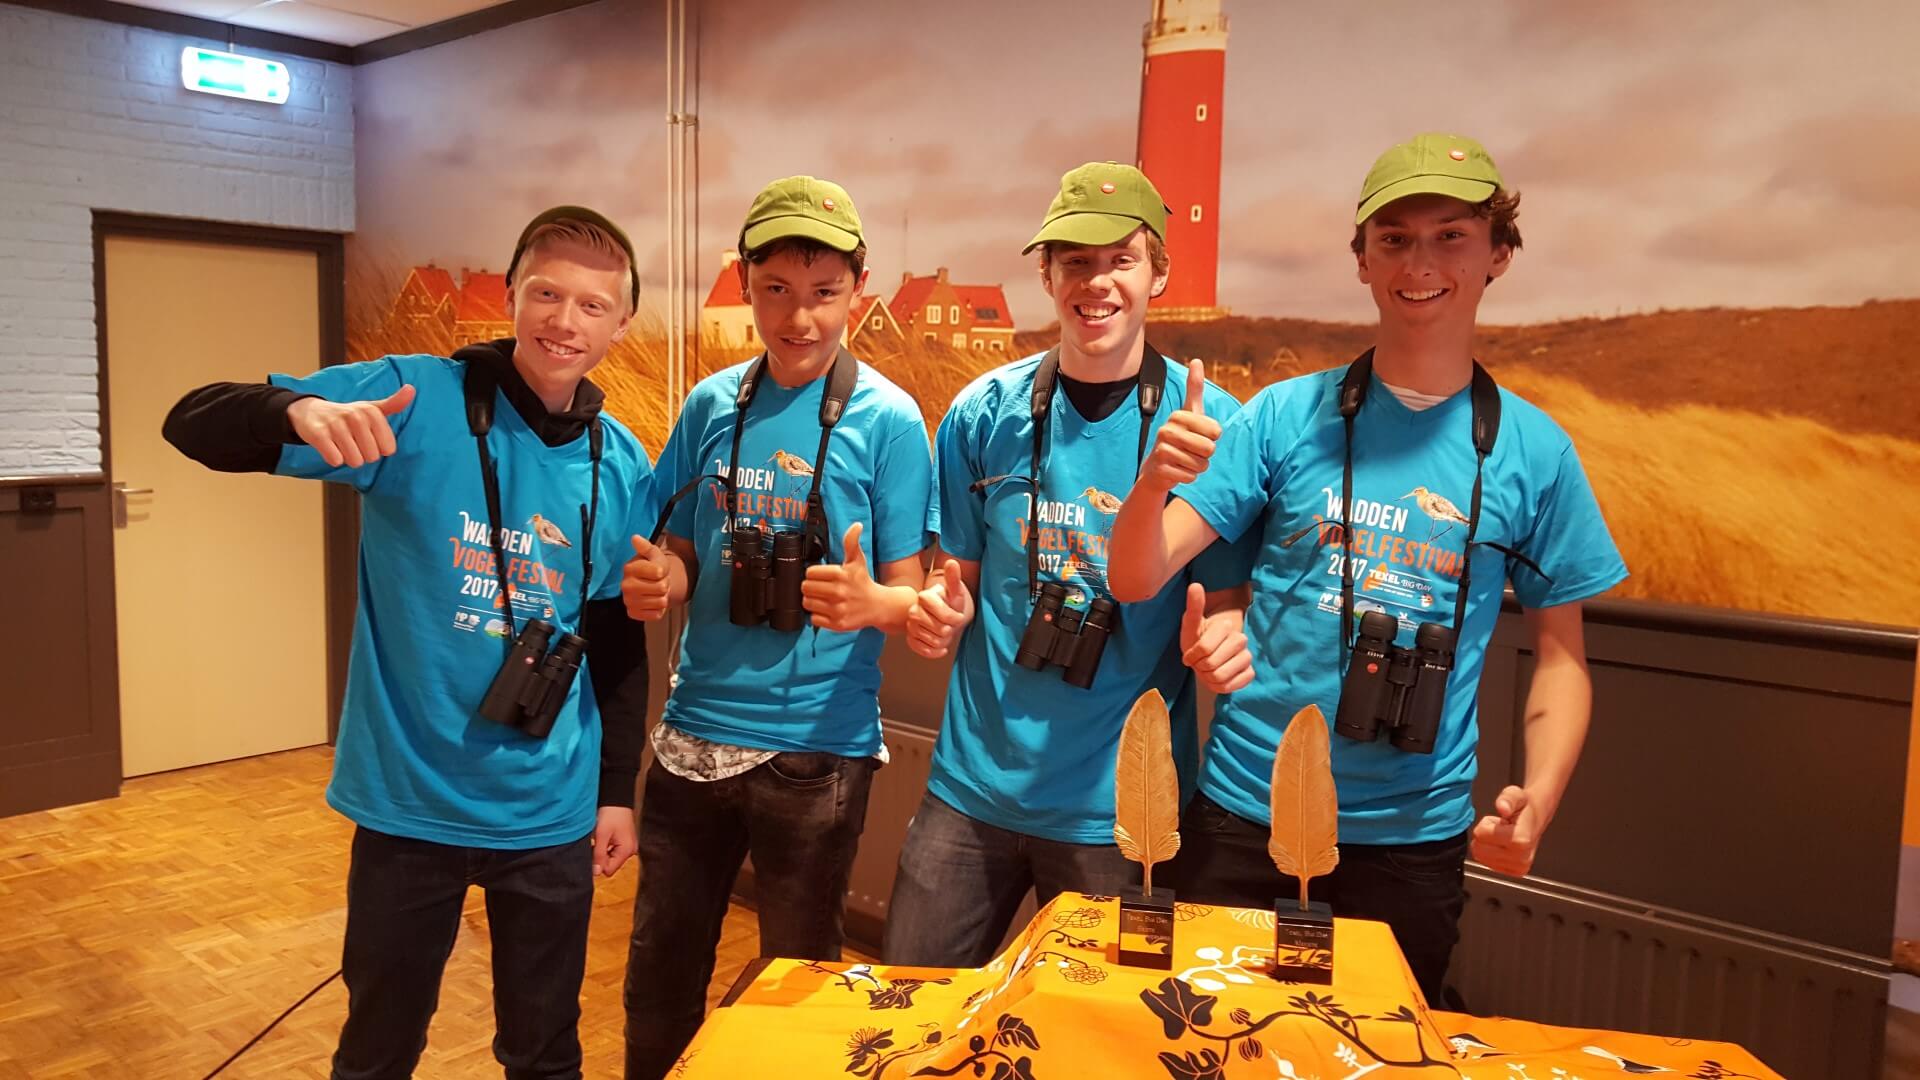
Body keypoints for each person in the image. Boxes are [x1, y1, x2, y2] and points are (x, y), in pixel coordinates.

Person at [1107, 133, 1629, 1003]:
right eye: (1394, 238)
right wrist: (1154, 481)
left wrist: (1539, 796)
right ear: (1363, 260)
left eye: (1451, 236)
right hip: (1245, 815)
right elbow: (1134, 577)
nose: (1420, 262)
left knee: (1374, 1050)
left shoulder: (1537, 454)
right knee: (1209, 1042)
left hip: (1411, 841)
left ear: (1498, 254)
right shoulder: (1283, 417)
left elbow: (1562, 659)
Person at [163, 206, 654, 1079]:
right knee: (379, 1050)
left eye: (592, 305)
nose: (563, 321)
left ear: (621, 324)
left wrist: (616, 794)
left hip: (549, 811)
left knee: (545, 1053)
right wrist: (294, 411)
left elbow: (614, 643)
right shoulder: (415, 400)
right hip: (408, 805)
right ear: (511, 295)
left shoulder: (619, 461)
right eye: (546, 294)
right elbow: (193, 421)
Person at [882, 162, 1254, 967]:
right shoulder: (983, 414)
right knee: (912, 1006)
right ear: (1047, 275)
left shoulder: (1209, 429)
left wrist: (1226, 635)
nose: (1097, 283)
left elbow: (1225, 602)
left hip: (1124, 814)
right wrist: (940, 612)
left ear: (1158, 274)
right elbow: (958, 581)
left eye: (1122, 260)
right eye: (1075, 262)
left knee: (1104, 1029)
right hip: (971, 789)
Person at [617, 176, 933, 1080]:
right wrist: (663, 577)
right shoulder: (711, 405)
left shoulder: (890, 419)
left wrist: (872, 603)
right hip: (691, 738)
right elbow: (683, 552)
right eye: (776, 291)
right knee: (658, 980)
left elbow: (911, 598)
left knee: (798, 996)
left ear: (859, 290)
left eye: (824, 293)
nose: (799, 318)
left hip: (816, 754)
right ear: (747, 283)